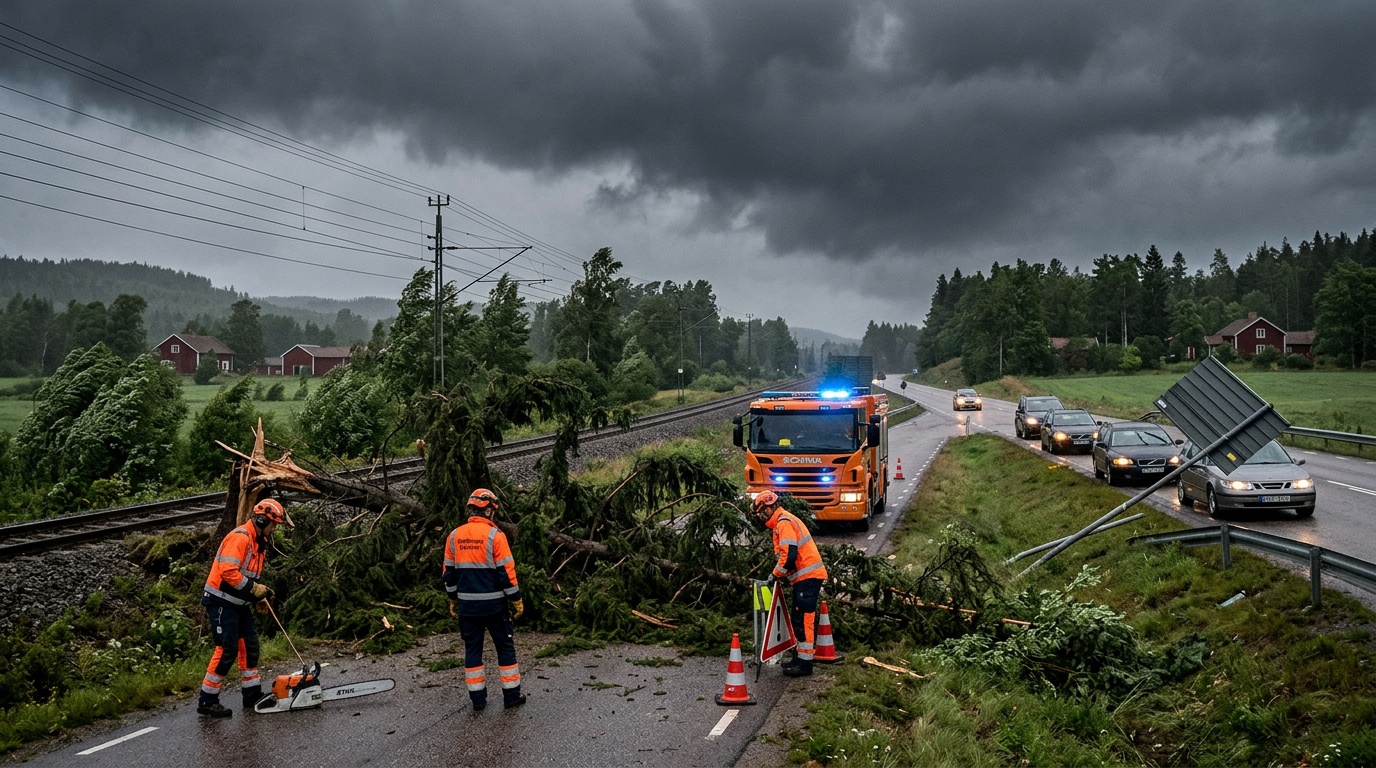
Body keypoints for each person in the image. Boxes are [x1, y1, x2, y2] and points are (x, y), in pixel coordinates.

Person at [198, 497, 292, 717]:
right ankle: (207, 700)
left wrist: (256, 597)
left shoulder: (260, 542)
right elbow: (228, 572)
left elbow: (248, 575)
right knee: (226, 649)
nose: (274, 529)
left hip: (239, 603)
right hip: (221, 601)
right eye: (274, 524)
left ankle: (251, 695)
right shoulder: (241, 538)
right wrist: (253, 590)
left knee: (250, 647)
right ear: (261, 520)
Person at [443, 488, 526, 711]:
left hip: (468, 608)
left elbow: (449, 574)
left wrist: (453, 599)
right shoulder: (495, 537)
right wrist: (516, 599)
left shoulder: (454, 536)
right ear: (488, 510)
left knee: (472, 651)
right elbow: (507, 574)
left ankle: (478, 701)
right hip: (495, 607)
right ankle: (511, 697)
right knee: (505, 649)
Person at [751, 490, 828, 677]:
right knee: (798, 619)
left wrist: (775, 575)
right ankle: (800, 658)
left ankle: (805, 664)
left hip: (807, 578)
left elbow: (790, 555)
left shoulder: (783, 523)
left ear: (768, 509)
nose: (761, 517)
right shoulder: (783, 521)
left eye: (761, 512)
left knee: (803, 620)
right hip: (805, 578)